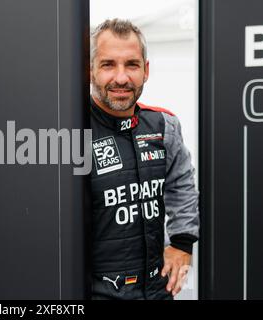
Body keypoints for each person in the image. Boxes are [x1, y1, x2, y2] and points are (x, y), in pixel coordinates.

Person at [90, 18, 200, 300]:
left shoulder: (164, 125)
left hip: (156, 289)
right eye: (108, 65)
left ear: (146, 70)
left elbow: (182, 185)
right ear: (90, 70)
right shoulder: (70, 131)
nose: (121, 77)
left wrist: (182, 242)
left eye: (132, 64)